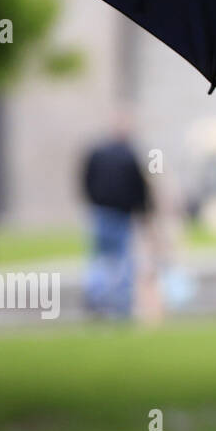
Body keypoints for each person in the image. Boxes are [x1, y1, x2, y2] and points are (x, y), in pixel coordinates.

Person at [81, 108, 151, 319]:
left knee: (100, 258)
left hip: (102, 211)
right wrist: (144, 211)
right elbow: (140, 188)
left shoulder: (97, 152)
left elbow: (86, 179)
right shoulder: (130, 155)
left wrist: (93, 201)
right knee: (122, 260)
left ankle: (97, 299)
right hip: (120, 214)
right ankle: (121, 304)